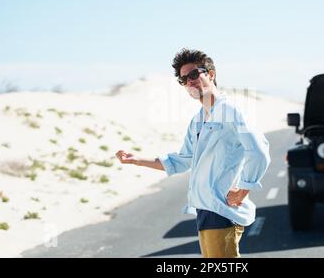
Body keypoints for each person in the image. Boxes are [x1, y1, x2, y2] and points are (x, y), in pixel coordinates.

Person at [116, 49, 271, 257]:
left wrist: (244, 189)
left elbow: (259, 151)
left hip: (221, 210)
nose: (189, 82)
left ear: (211, 74)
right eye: (183, 79)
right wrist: (137, 161)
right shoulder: (198, 119)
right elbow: (182, 160)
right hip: (203, 210)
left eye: (194, 75)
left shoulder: (232, 111)